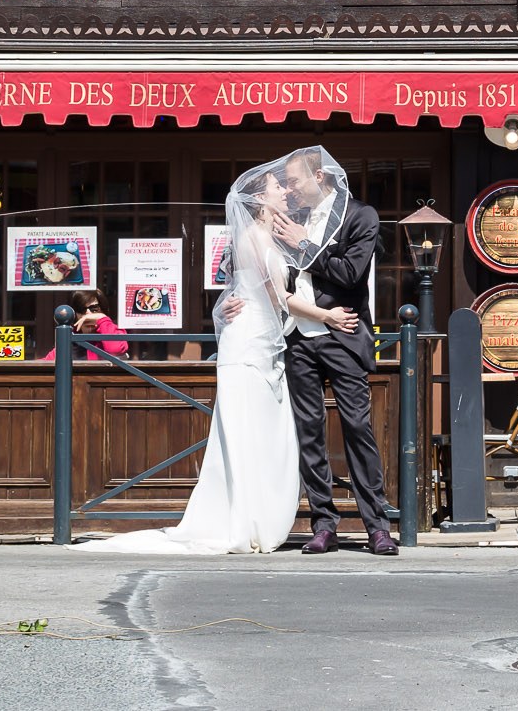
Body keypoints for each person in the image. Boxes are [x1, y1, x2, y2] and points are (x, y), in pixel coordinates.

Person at [77, 158, 347, 555]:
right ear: (260, 199)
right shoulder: (253, 239)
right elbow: (277, 297)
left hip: (266, 342)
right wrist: (327, 316)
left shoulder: (271, 237)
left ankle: (256, 517)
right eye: (278, 188)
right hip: (249, 342)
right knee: (243, 431)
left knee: (262, 431)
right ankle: (241, 521)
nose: (285, 192)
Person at [272, 145, 396, 557]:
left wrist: (305, 244)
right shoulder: (291, 218)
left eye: (293, 181)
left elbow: (349, 273)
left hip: (343, 333)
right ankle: (323, 524)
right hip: (298, 338)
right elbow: (275, 273)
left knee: (358, 429)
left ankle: (377, 525)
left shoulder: (362, 215)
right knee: (309, 433)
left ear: (319, 177)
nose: (289, 190)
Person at [40, 289, 129, 362]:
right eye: (81, 309)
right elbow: (45, 364)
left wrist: (102, 319)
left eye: (94, 309)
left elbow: (115, 349)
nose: (87, 313)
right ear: (75, 315)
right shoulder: (70, 342)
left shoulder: (114, 331)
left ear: (103, 310)